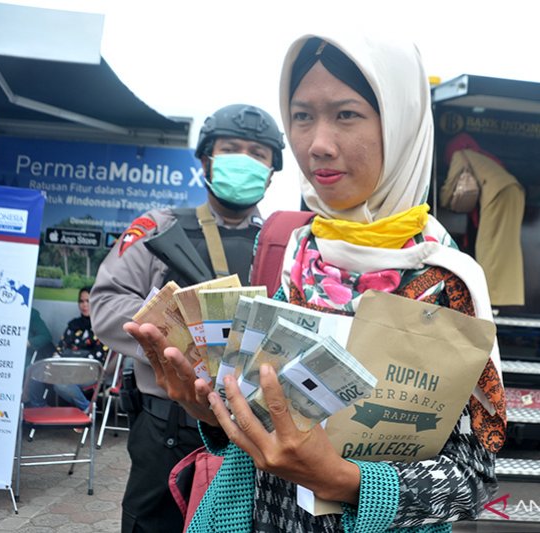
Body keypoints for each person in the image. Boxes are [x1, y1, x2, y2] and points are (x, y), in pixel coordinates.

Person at [125, 34, 506, 532]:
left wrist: (345, 479)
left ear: (400, 125)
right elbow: (266, 419)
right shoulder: (299, 252)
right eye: (302, 116)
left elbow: (472, 482)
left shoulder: (444, 284)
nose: (318, 144)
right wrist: (217, 411)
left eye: (346, 115)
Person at [90, 104, 285, 533]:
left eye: (258, 153)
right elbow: (105, 308)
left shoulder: (286, 245)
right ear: (205, 160)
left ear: (273, 171)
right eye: (231, 149)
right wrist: (190, 336)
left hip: (255, 430)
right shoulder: (157, 228)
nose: (244, 160)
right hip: (168, 425)